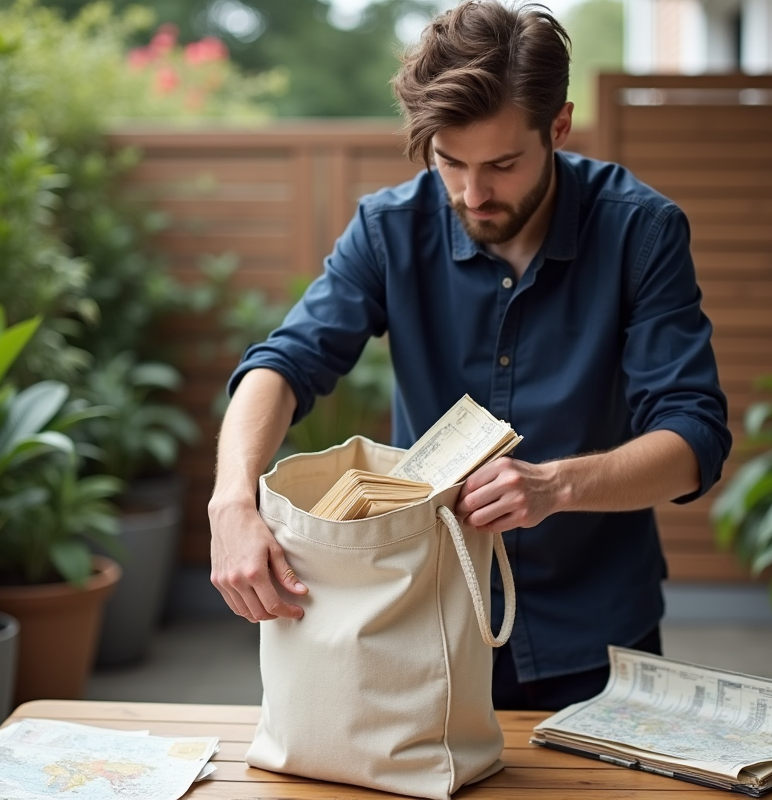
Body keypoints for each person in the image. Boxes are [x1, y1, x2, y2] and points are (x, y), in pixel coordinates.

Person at [207, 0, 731, 712]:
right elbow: (284, 363)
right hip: (422, 619)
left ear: (560, 126)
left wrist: (555, 487)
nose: (472, 193)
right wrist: (232, 501)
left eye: (503, 164)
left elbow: (694, 437)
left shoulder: (642, 232)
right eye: (449, 162)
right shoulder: (389, 229)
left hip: (598, 629)